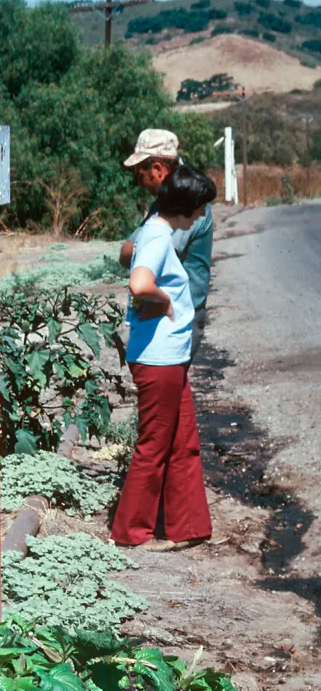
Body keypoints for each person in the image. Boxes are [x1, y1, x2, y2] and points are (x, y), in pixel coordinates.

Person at [111, 164, 218, 552]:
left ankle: (188, 527)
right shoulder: (158, 235)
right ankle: (130, 533)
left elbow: (130, 261)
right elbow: (139, 281)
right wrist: (166, 297)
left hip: (167, 356)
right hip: (159, 360)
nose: (204, 215)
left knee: (182, 439)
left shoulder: (156, 228)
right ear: (186, 208)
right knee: (155, 443)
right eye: (201, 208)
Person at [118, 129, 213, 361]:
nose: (140, 184)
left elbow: (137, 253)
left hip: (177, 313)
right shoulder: (165, 204)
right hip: (164, 309)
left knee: (164, 392)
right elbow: (127, 254)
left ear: (158, 169)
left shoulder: (186, 206)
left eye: (140, 176)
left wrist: (139, 246)